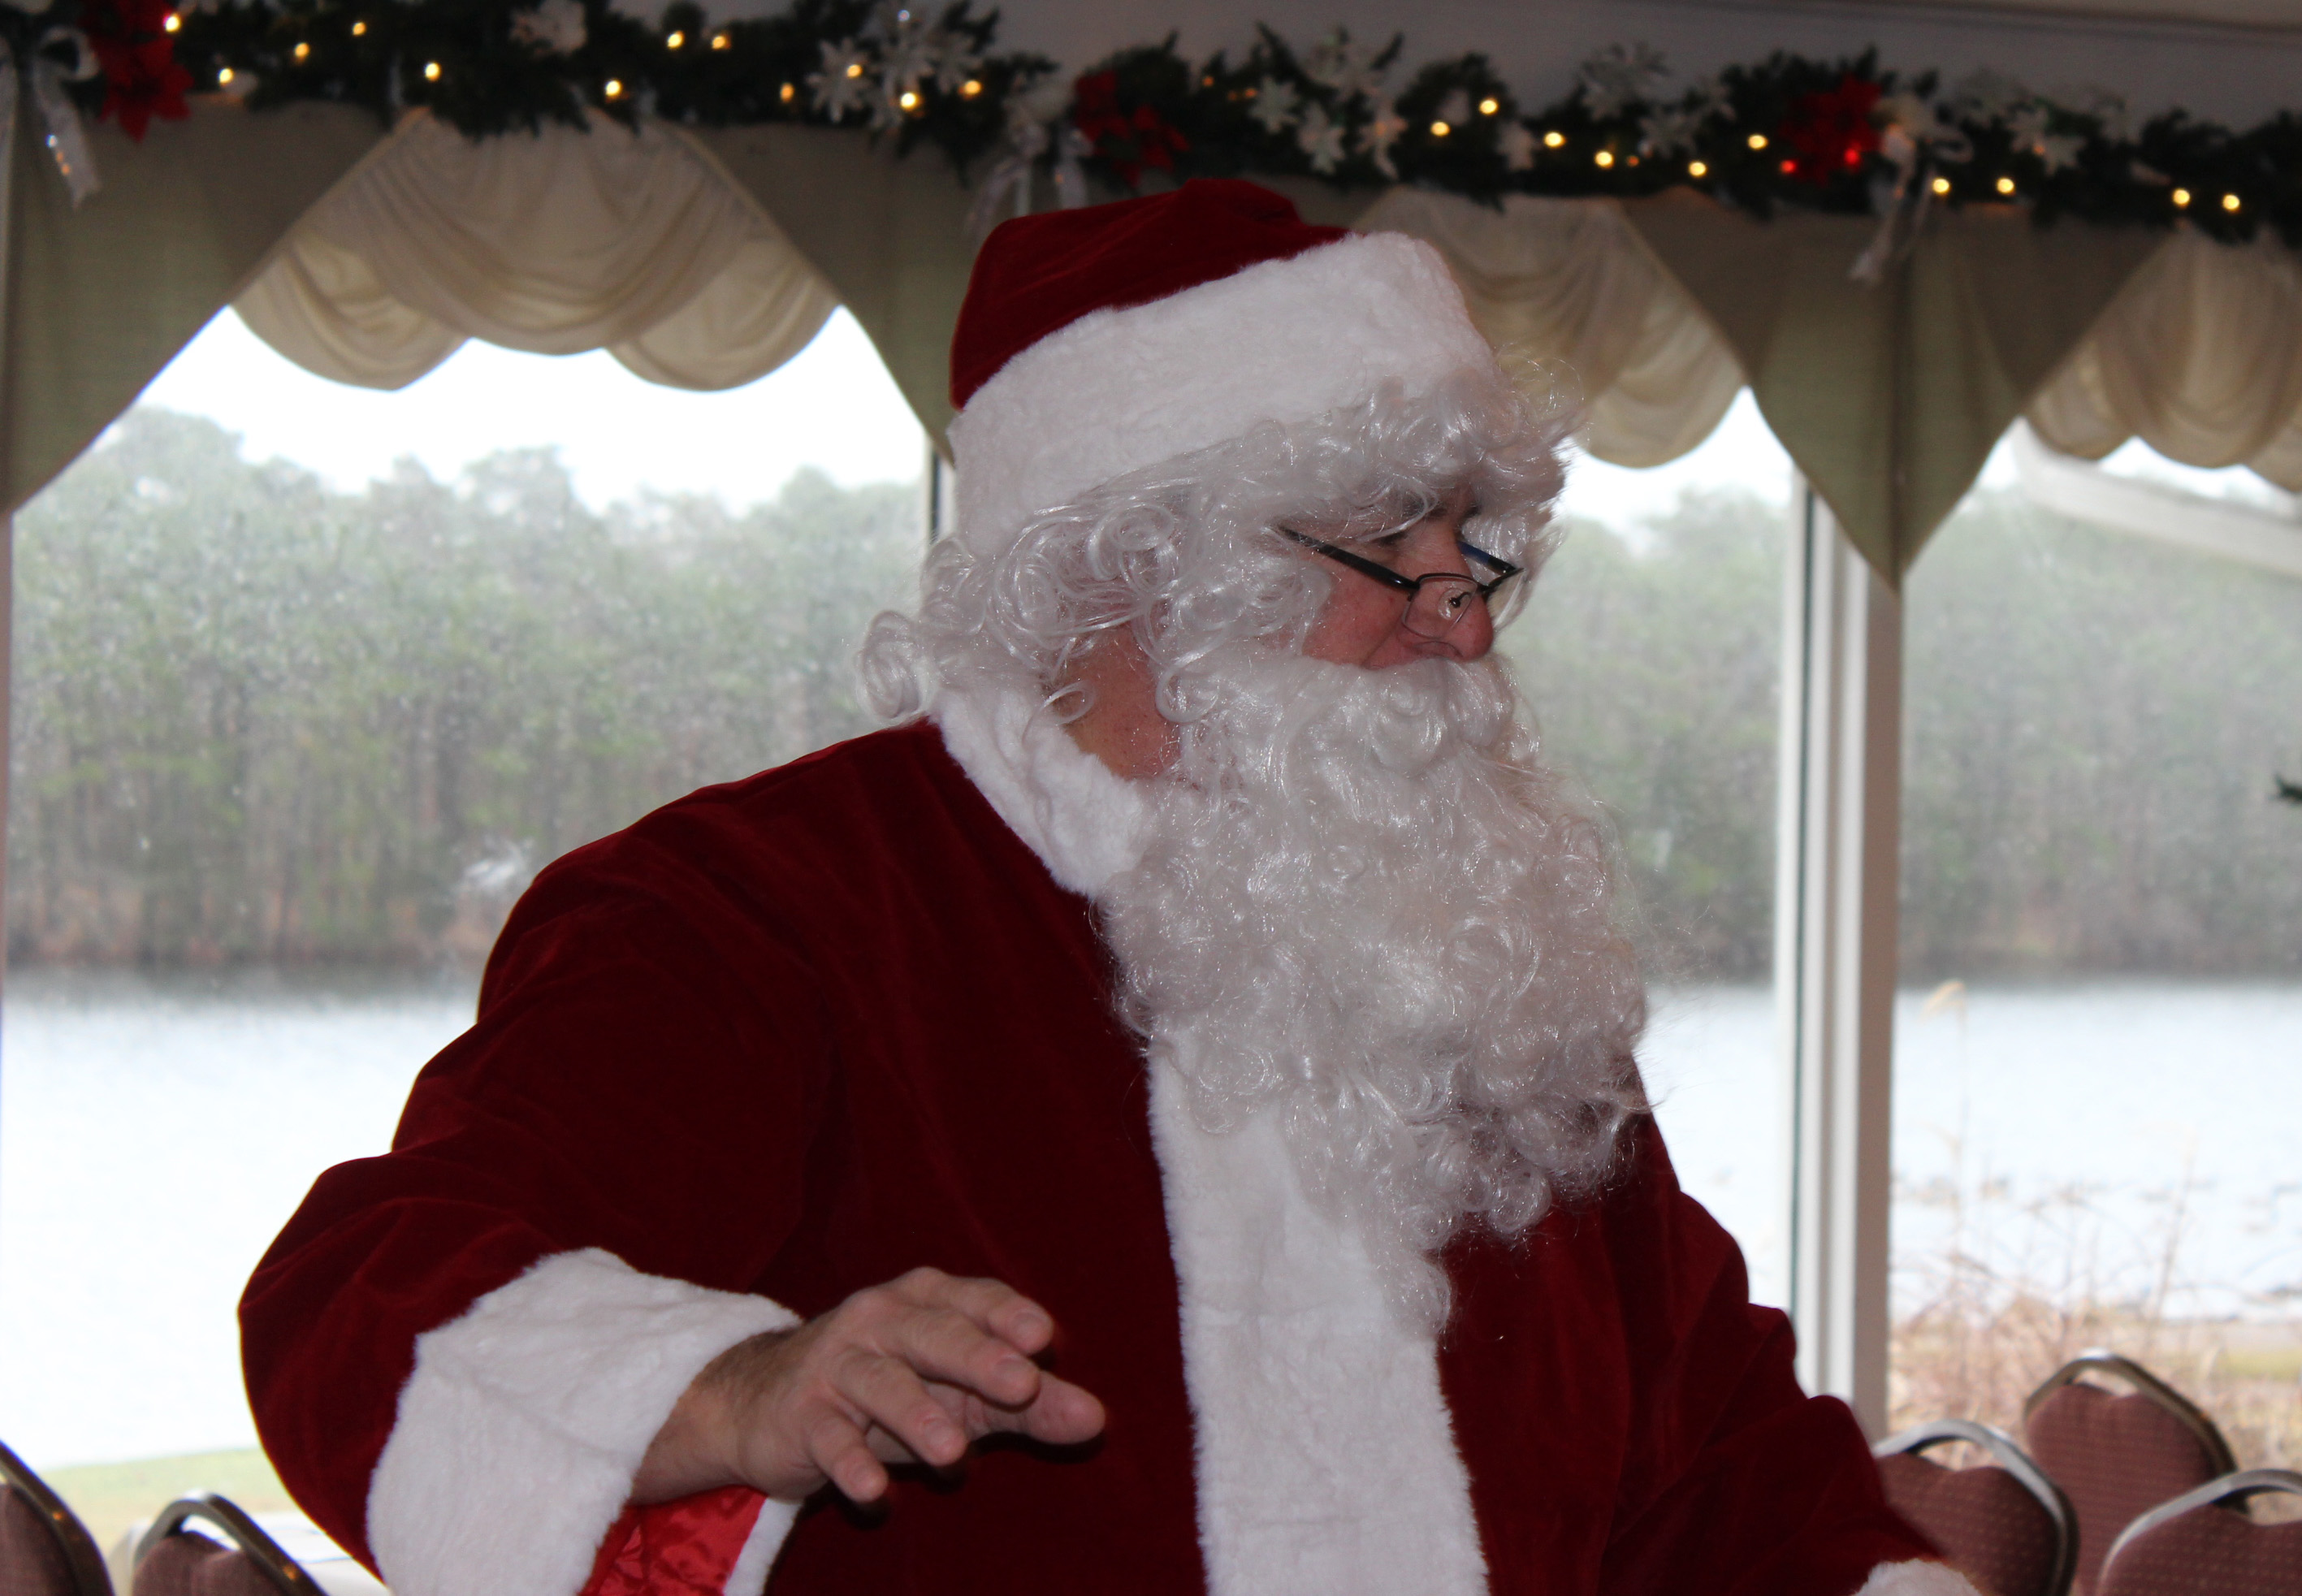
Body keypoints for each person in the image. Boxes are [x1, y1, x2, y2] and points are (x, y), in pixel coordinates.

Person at [243, 179, 1964, 1596]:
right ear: (1137, 560)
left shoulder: (1472, 944)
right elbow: (363, 1296)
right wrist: (729, 1385)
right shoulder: (757, 912)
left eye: (1479, 541)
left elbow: (1718, 1455)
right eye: (1391, 541)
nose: (1464, 612)